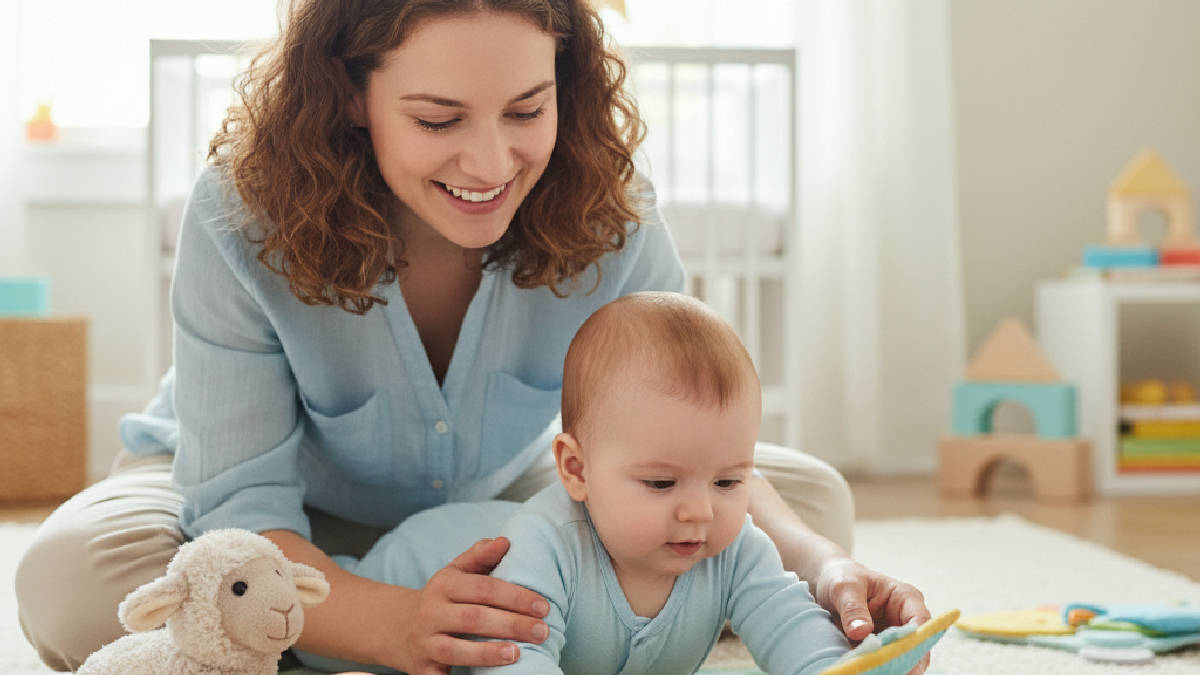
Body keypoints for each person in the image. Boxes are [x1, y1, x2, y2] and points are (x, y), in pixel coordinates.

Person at [15, 1, 929, 674]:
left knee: (808, 505)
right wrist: (394, 623)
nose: (491, 165)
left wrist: (824, 565)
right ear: (349, 93)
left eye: (527, 111)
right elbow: (241, 517)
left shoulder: (612, 211)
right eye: (438, 120)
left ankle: (379, 634)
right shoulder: (241, 217)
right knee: (72, 582)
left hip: (509, 496)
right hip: (267, 510)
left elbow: (682, 436)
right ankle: (519, 624)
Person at [356, 291, 852, 675]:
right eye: (661, 483)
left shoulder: (736, 548)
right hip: (413, 558)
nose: (700, 511)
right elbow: (514, 655)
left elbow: (791, 622)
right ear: (576, 470)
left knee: (824, 494)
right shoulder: (545, 546)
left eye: (727, 481)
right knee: (303, 619)